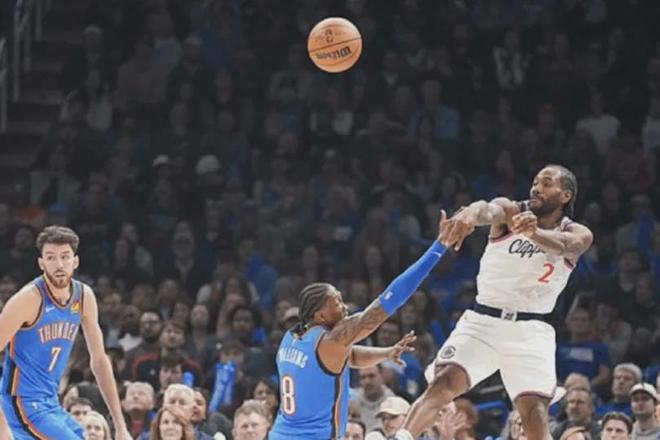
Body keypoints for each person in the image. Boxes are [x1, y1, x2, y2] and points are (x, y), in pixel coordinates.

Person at [396, 165, 594, 440]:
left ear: (565, 196)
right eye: (535, 182)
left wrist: (534, 234)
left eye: (547, 183)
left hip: (530, 330)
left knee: (534, 413)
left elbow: (566, 244)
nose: (537, 188)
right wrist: (468, 214)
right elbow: (486, 209)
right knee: (442, 384)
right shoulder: (512, 210)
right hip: (483, 322)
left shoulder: (579, 232)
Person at [269, 214, 448, 440]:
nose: (345, 308)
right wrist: (438, 248)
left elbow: (347, 357)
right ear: (320, 315)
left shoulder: (291, 337)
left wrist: (386, 353)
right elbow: (390, 299)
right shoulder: (332, 340)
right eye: (337, 303)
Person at [0, 225, 131, 439]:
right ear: (41, 263)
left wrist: (120, 426)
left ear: (75, 261)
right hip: (20, 403)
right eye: (51, 258)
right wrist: (1, 424)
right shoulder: (28, 299)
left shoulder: (84, 296)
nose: (59, 264)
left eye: (65, 256)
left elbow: (99, 360)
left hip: (51, 401)